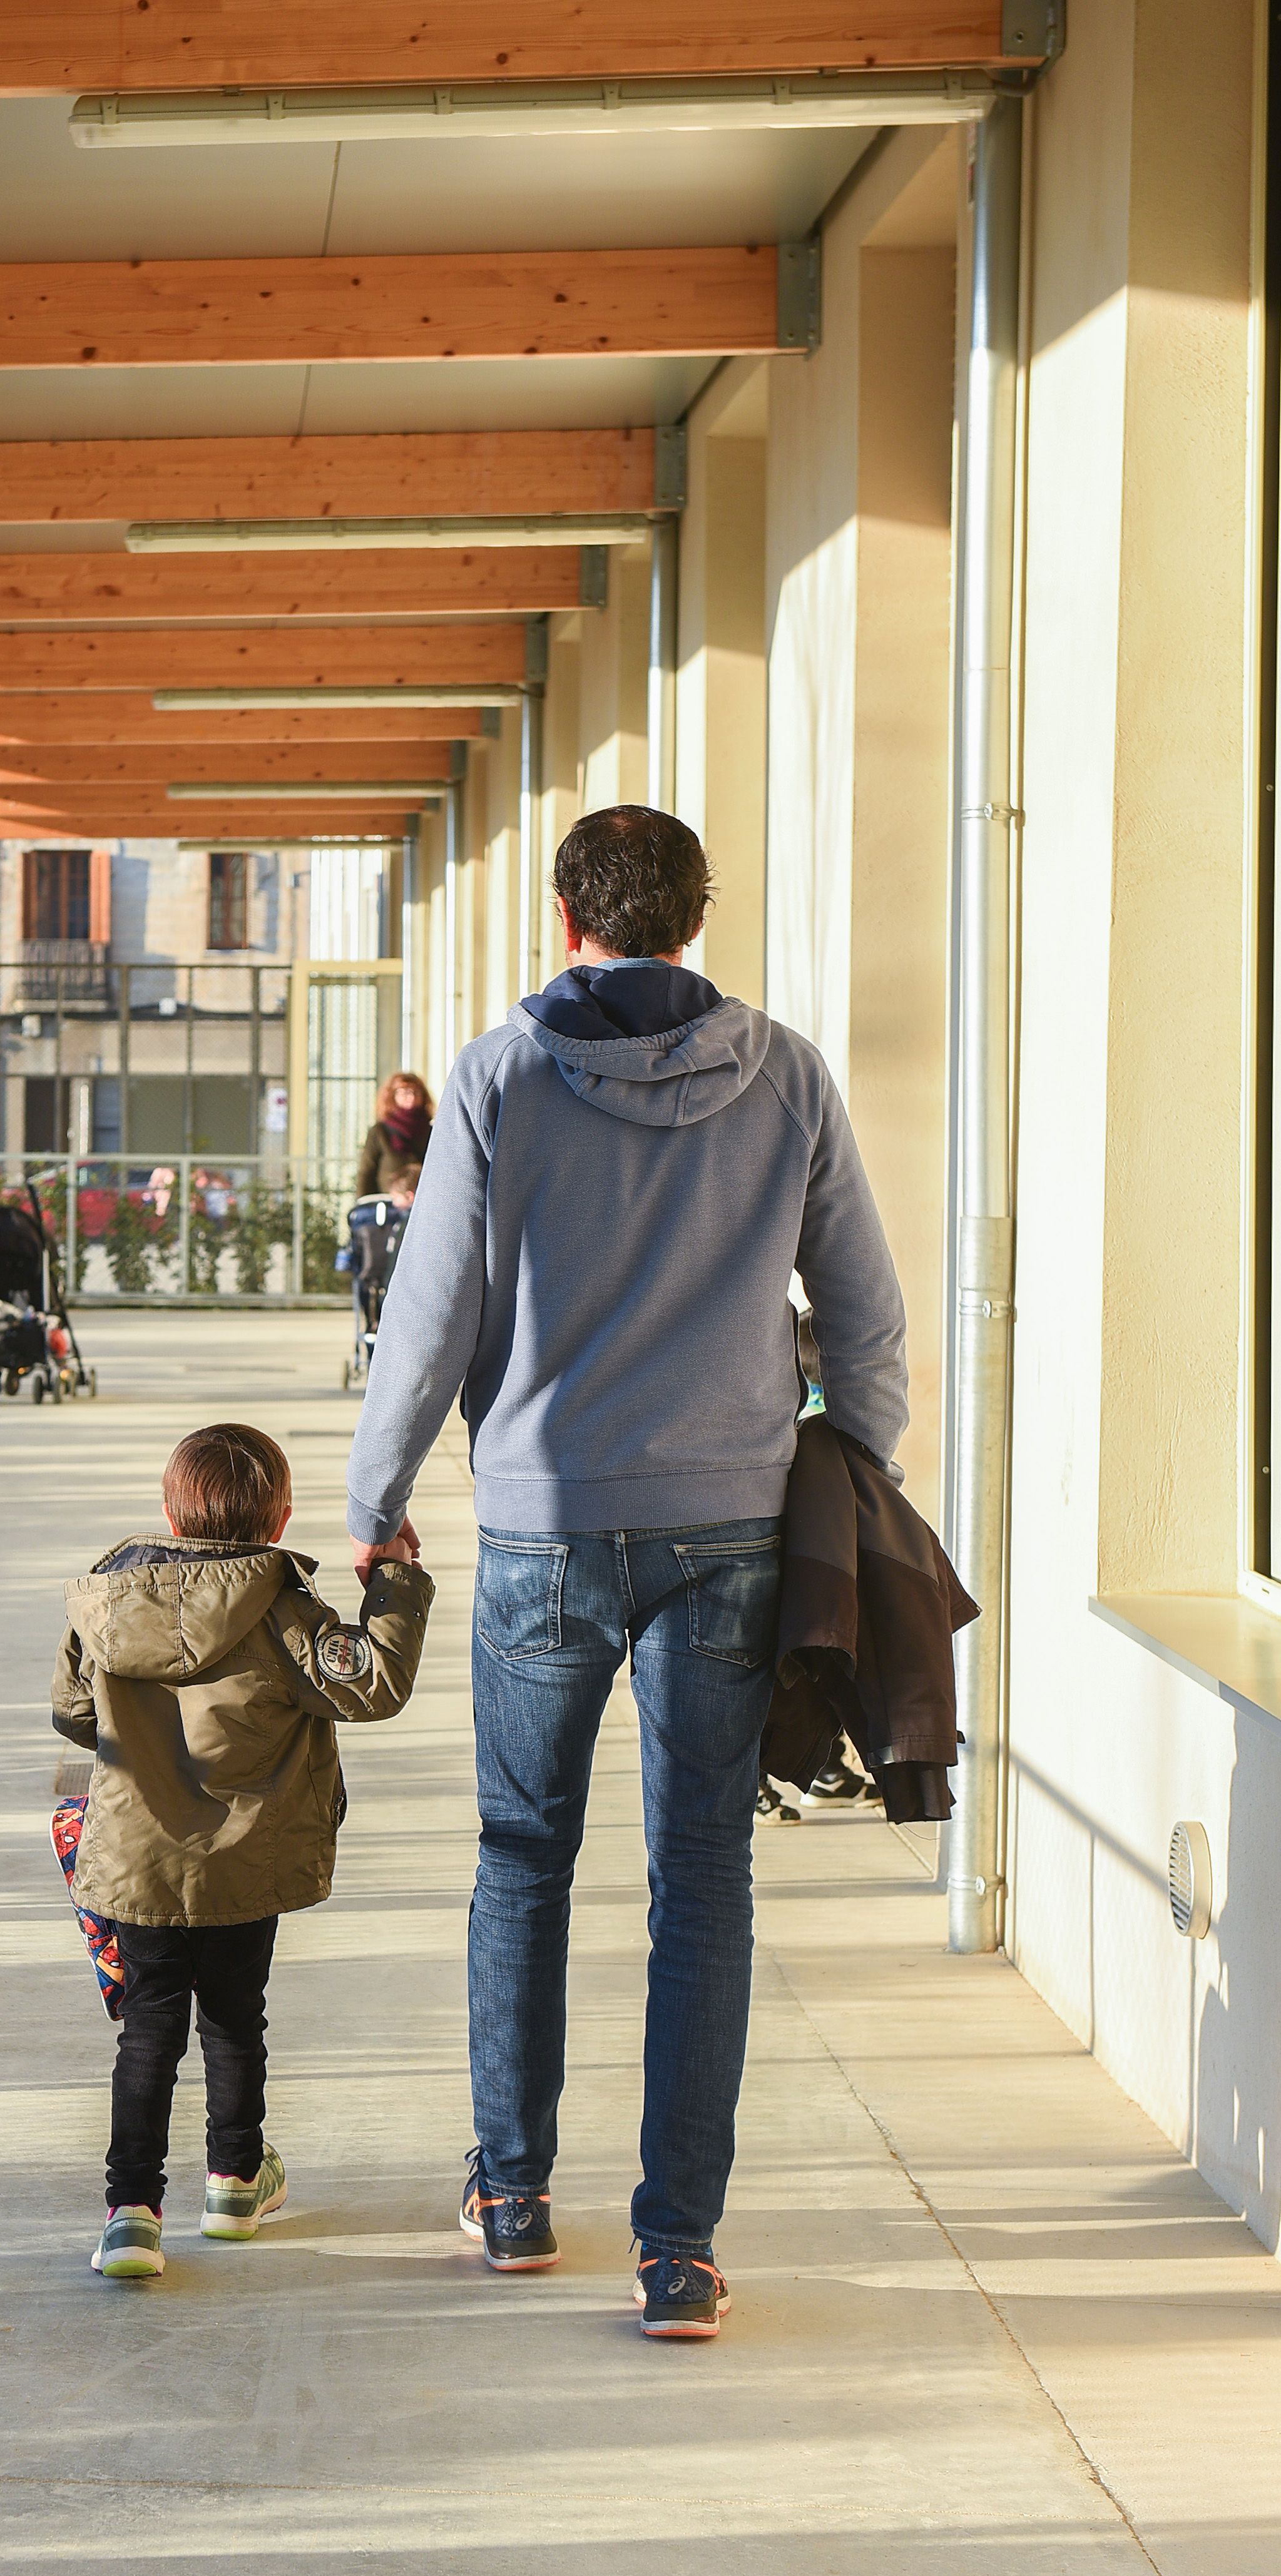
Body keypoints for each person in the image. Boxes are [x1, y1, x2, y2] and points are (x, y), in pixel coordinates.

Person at [345, 805, 907, 2340]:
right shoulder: (780, 1070)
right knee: (701, 1880)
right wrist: (855, 1463)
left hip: (538, 1518)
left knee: (520, 1855)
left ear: (561, 911)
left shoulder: (500, 1073)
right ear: (693, 916)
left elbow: (434, 1305)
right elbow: (860, 1304)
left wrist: (371, 1493)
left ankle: (512, 2194)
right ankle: (677, 2249)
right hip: (728, 1519)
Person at [53, 1422, 433, 2280]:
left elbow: (74, 1711)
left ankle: (132, 2214)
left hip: (137, 1860)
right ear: (281, 1516)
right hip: (245, 1860)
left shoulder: (111, 1599)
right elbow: (371, 1682)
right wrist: (394, 1582)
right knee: (233, 2017)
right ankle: (232, 2181)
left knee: (148, 2028)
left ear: (168, 1510)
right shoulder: (285, 1608)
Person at [355, 1071, 434, 1201]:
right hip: (389, 1207)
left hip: (425, 1203)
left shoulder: (432, 1132)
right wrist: (364, 1207)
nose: (412, 1097)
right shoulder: (380, 1132)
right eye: (405, 1092)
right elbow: (367, 1172)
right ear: (392, 1096)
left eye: (416, 1092)